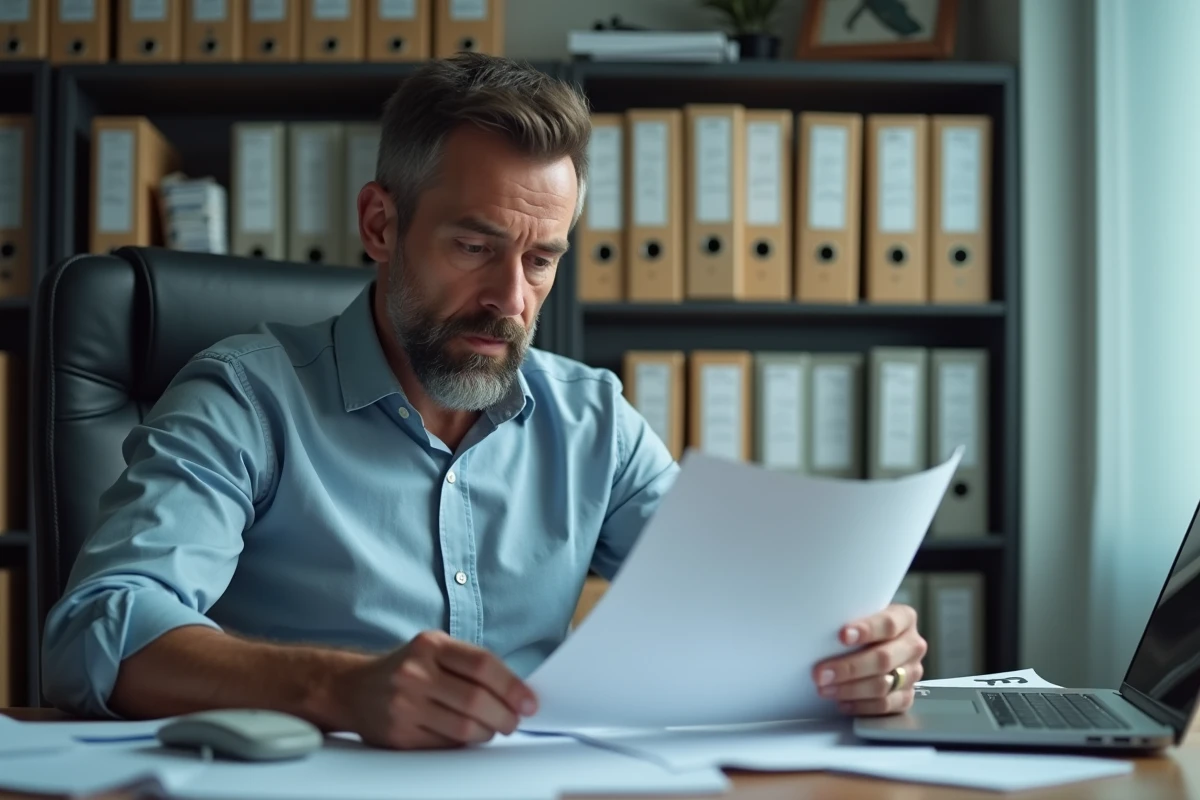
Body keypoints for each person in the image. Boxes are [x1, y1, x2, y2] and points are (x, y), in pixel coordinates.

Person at [41, 53, 927, 750]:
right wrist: (336, 689)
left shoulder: (593, 421)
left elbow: (739, 602)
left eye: (541, 259)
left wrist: (851, 649)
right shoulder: (246, 396)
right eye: (476, 245)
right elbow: (95, 631)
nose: (512, 297)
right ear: (382, 225)